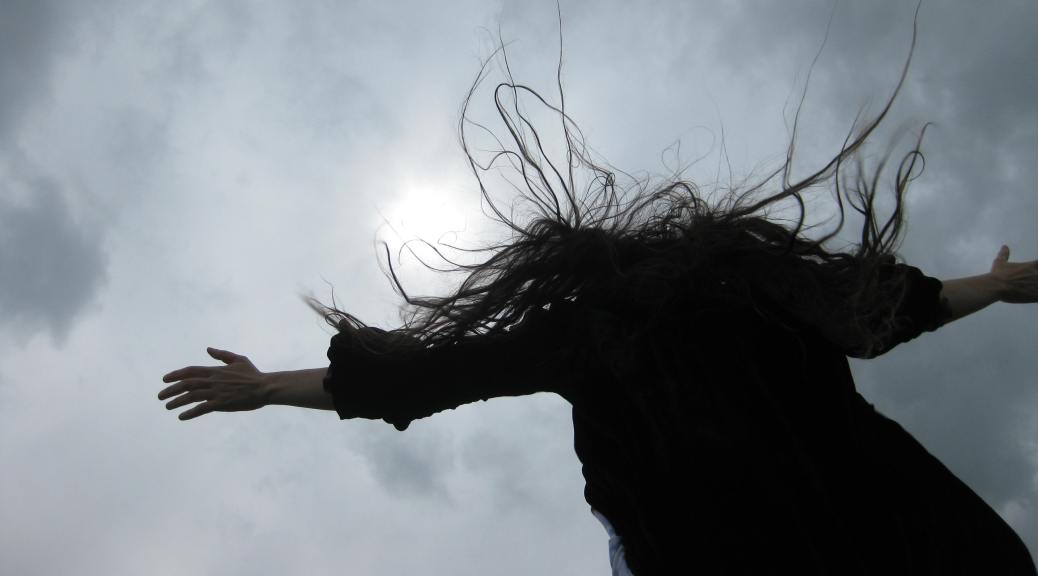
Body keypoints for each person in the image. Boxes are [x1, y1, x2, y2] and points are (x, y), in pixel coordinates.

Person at [158, 31, 1038, 575]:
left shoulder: (588, 327)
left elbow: (419, 378)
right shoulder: (764, 290)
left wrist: (271, 385)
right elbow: (890, 311)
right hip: (902, 533)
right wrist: (997, 287)